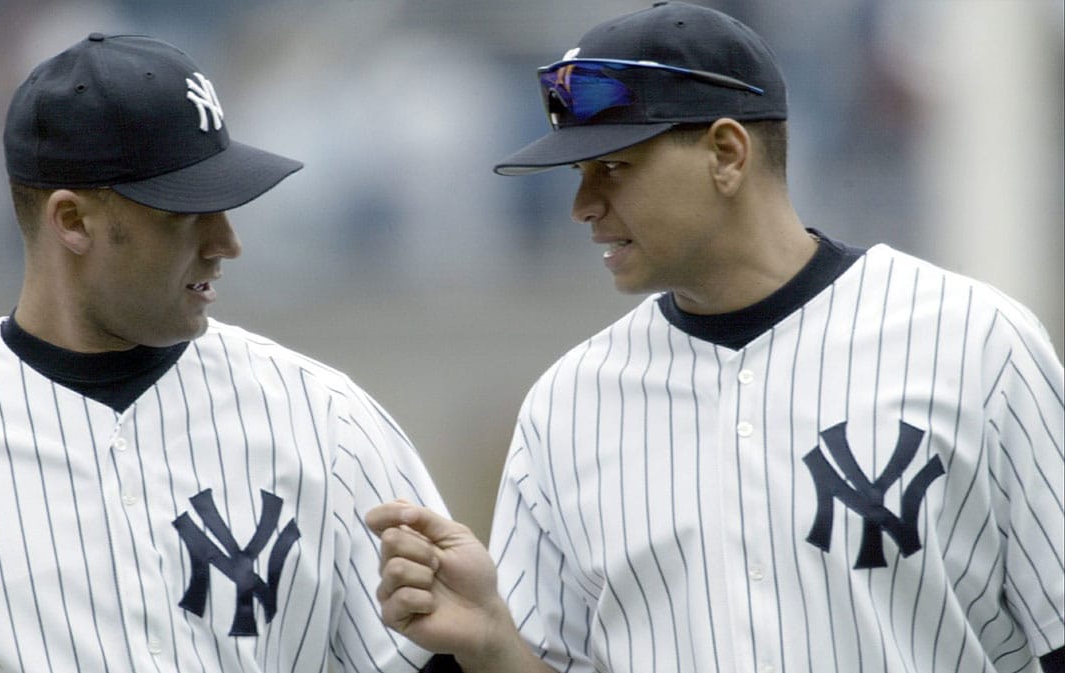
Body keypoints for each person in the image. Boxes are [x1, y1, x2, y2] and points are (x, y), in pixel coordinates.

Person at [366, 3, 1065, 672]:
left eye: (612, 167)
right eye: (578, 174)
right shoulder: (567, 405)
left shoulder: (976, 344)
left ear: (726, 153)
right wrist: (492, 642)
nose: (582, 206)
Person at [0, 33, 451, 673]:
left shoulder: (328, 419)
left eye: (224, 202)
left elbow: (432, 656)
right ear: (72, 220)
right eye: (185, 211)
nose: (227, 242)